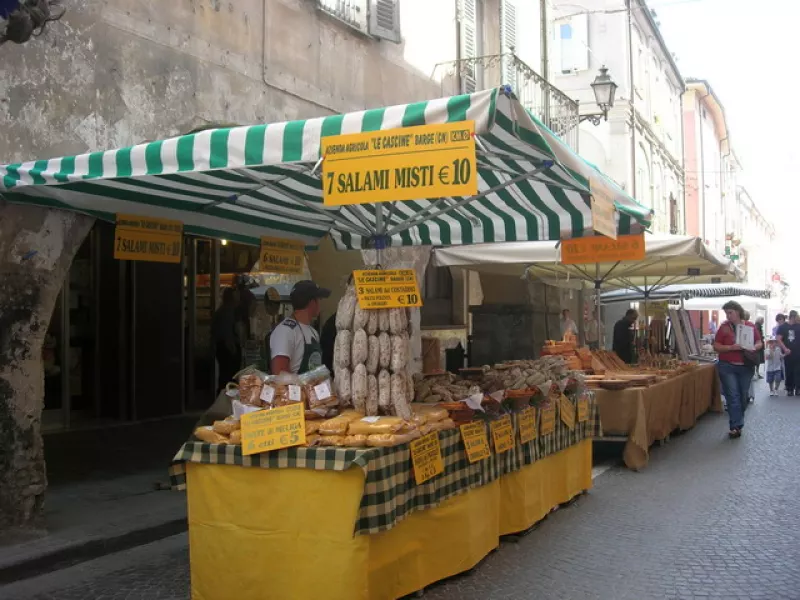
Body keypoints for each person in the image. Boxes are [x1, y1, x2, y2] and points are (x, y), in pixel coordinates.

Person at [713, 300, 762, 438]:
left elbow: (759, 342)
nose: (728, 316)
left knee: (743, 396)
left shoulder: (750, 326)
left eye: (730, 312)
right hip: (727, 366)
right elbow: (716, 346)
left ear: (738, 312)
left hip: (745, 367)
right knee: (733, 395)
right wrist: (730, 348)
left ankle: (737, 421)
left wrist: (753, 347)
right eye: (726, 313)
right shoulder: (724, 327)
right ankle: (735, 426)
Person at [269, 280, 330, 375]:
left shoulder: (313, 332)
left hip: (312, 388)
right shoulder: (285, 331)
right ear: (311, 302)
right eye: (319, 299)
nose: (320, 303)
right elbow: (279, 372)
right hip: (294, 389)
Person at [212, 287, 241, 393]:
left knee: (224, 375)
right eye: (236, 297)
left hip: (222, 347)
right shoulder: (227, 312)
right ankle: (225, 399)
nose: (238, 299)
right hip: (227, 348)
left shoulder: (221, 311)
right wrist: (233, 348)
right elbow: (227, 332)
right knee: (228, 377)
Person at [776, 310, 800, 396]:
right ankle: (790, 388)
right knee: (789, 370)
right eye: (797, 316)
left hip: (798, 353)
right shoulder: (783, 327)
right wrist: (785, 348)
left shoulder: (799, 326)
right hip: (788, 353)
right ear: (793, 317)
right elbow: (778, 339)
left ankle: (798, 388)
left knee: (798, 371)